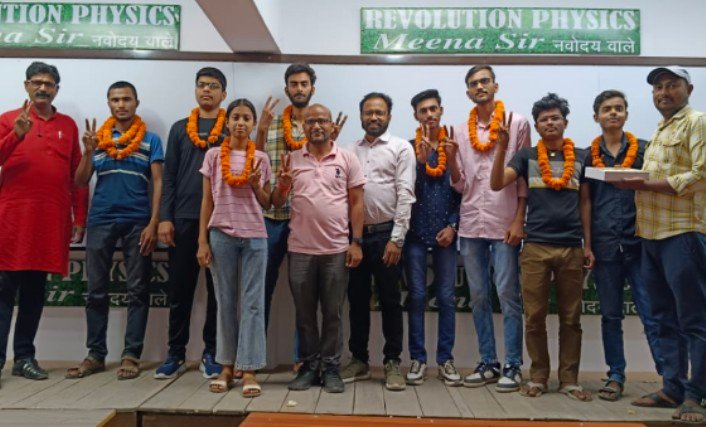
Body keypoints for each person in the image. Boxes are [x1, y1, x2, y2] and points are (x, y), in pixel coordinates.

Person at [490, 93, 593, 402]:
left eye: (555, 117)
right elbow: (497, 183)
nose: (550, 122)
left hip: (572, 247)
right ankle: (538, 377)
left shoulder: (583, 156)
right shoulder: (526, 156)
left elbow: (585, 203)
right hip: (535, 247)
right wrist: (501, 147)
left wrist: (588, 245)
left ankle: (569, 380)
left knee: (571, 318)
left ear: (565, 122)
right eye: (544, 119)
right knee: (534, 317)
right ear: (536, 126)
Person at [620, 66, 706, 424]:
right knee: (661, 317)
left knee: (694, 319)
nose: (664, 92)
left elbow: (700, 175)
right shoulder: (660, 129)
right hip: (651, 235)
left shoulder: (697, 122)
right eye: (658, 87)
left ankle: (696, 395)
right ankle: (672, 387)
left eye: (672, 85)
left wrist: (642, 185)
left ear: (689, 88)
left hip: (683, 233)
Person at [67, 81, 164, 381]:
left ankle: (131, 354)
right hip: (101, 219)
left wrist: (154, 222)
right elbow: (80, 181)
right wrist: (88, 152)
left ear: (136, 102)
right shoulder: (98, 139)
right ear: (109, 103)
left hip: (138, 221)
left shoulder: (151, 140)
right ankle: (95, 354)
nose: (121, 104)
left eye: (126, 99)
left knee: (138, 290)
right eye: (115, 100)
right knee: (96, 290)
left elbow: (159, 182)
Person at [0, 62, 87, 384]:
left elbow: (77, 177)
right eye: (36, 82)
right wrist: (15, 136)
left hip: (50, 222)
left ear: (56, 90)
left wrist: (80, 217)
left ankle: (24, 358)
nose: (42, 88)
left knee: (35, 294)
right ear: (26, 86)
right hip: (12, 222)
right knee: (3, 294)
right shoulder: (9, 119)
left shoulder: (68, 125)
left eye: (48, 84)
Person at [447, 65, 530, 392]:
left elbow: (523, 176)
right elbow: (459, 185)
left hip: (504, 223)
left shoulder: (517, 123)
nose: (479, 86)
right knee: (479, 296)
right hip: (471, 224)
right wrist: (450, 159)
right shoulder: (459, 130)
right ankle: (488, 362)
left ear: (496, 85)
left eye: (485, 81)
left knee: (508, 294)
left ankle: (513, 364)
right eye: (473, 83)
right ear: (468, 92)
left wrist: (519, 219)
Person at [272, 103, 365, 394]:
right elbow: (276, 201)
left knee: (333, 313)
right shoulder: (292, 159)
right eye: (311, 121)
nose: (316, 126)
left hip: (336, 250)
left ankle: (331, 368)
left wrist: (356, 242)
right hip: (300, 250)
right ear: (303, 127)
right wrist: (282, 186)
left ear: (331, 125)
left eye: (322, 120)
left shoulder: (346, 158)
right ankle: (310, 367)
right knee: (304, 314)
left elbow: (357, 203)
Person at [585, 90, 663, 402]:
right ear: (597, 117)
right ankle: (615, 375)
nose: (613, 113)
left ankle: (670, 379)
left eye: (619, 108)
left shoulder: (644, 149)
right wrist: (588, 244)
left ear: (626, 114)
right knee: (611, 316)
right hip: (605, 245)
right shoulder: (589, 155)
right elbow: (586, 202)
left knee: (653, 315)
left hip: (640, 243)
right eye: (607, 109)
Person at [155, 67, 228, 380]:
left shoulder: (232, 128)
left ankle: (212, 352)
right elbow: (168, 176)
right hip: (183, 218)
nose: (207, 90)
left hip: (220, 221)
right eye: (202, 85)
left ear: (223, 94)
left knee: (217, 293)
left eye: (213, 86)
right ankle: (176, 353)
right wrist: (165, 217)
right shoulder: (179, 129)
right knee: (179, 291)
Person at [341, 92, 416, 391]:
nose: (374, 117)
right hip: (356, 238)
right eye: (369, 112)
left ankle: (392, 362)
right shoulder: (348, 151)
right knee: (357, 300)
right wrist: (352, 239)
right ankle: (359, 359)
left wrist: (397, 239)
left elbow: (406, 194)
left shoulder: (401, 148)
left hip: (387, 237)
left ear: (389, 117)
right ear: (361, 116)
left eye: (380, 112)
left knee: (390, 301)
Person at [197, 99, 271, 397]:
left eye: (246, 118)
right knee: (224, 301)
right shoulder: (214, 155)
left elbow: (267, 203)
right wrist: (202, 240)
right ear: (226, 122)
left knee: (253, 304)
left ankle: (250, 369)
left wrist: (255, 184)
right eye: (236, 117)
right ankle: (226, 367)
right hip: (221, 234)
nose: (241, 123)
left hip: (255, 237)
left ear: (253, 124)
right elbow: (207, 200)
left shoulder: (261, 158)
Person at [403, 90, 462, 386]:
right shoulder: (407, 148)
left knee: (447, 298)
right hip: (414, 234)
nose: (429, 114)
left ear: (441, 110)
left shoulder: (455, 146)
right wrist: (419, 163)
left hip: (446, 235)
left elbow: (465, 190)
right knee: (416, 296)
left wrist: (454, 225)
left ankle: (445, 360)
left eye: (433, 109)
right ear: (416, 115)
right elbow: (402, 191)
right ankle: (418, 358)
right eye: (423, 110)